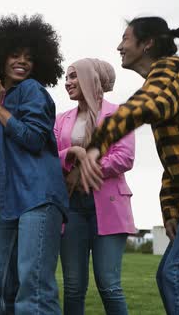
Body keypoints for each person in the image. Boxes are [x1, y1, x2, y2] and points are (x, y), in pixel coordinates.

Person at [78, 16, 179, 314]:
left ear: (147, 42)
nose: (119, 46)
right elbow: (177, 155)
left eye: (125, 39)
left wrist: (97, 144)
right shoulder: (170, 78)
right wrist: (170, 208)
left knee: (174, 275)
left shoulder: (171, 69)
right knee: (170, 275)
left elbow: (151, 105)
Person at [0, 14, 69, 314]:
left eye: (29, 57)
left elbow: (35, 138)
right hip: (5, 204)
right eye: (15, 55)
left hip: (37, 197)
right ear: (0, 58)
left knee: (33, 287)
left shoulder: (32, 91)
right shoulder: (1, 99)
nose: (22, 62)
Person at [55, 58, 136, 314]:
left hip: (108, 207)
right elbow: (50, 155)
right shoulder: (60, 119)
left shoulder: (119, 114)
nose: (67, 82)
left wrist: (83, 172)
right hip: (72, 207)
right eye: (66, 77)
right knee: (73, 286)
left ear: (92, 78)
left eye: (73, 76)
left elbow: (124, 157)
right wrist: (70, 154)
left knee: (109, 285)